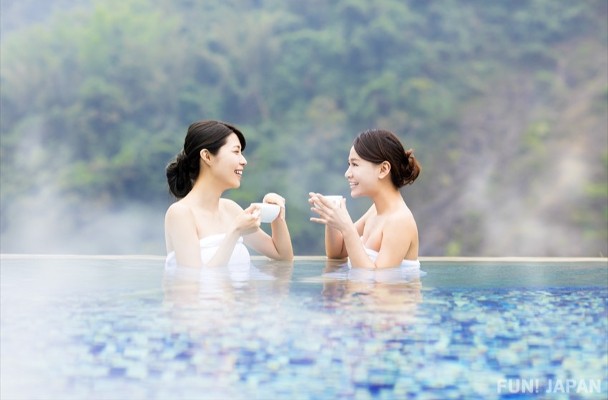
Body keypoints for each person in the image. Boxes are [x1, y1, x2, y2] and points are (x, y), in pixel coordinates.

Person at [165, 120, 293, 268]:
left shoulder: (230, 209)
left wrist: (276, 215)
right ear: (207, 156)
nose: (244, 161)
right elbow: (195, 280)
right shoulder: (180, 213)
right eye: (236, 151)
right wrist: (235, 232)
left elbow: (283, 257)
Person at [309, 129, 421, 269]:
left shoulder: (400, 221)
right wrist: (331, 217)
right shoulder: (375, 211)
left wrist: (346, 226)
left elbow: (376, 280)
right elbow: (337, 253)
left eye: (355, 164)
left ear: (383, 169)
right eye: (349, 165)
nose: (347, 173)